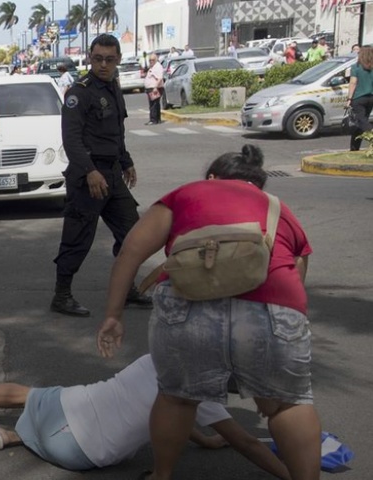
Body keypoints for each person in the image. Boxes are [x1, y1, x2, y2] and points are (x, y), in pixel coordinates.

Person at [96, 145, 321, 480]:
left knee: (177, 399)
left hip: (188, 306)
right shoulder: (277, 209)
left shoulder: (185, 195)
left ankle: (162, 475)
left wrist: (113, 315)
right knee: (287, 403)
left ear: (213, 177)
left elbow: (131, 252)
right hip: (271, 308)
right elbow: (298, 268)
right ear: (257, 184)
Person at [0, 354, 291, 478]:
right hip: (82, 459)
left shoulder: (161, 358)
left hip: (64, 418)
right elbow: (244, 442)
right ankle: (15, 437)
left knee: (31, 395)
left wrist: (211, 439)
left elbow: (164, 408)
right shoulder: (201, 393)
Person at [50, 34, 153, 317]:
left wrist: (126, 161)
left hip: (112, 174)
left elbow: (116, 133)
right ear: (89, 59)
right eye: (98, 59)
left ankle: (128, 288)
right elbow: (71, 139)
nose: (103, 65)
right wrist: (90, 171)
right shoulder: (79, 92)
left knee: (132, 233)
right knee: (78, 237)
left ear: (118, 59)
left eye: (109, 59)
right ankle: (61, 295)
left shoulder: (113, 87)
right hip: (88, 177)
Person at [346, 46, 373, 151]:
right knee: (359, 124)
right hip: (371, 97)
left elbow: (353, 83)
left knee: (362, 121)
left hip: (358, 98)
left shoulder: (356, 67)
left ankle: (371, 132)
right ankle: (354, 148)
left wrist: (349, 99)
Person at [144, 53, 164, 125]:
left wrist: (155, 87)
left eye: (152, 60)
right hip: (151, 88)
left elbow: (160, 78)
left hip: (155, 88)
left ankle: (153, 119)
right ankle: (157, 119)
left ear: (156, 59)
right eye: (150, 60)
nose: (151, 61)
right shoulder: (152, 67)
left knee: (153, 105)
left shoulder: (158, 67)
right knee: (155, 104)